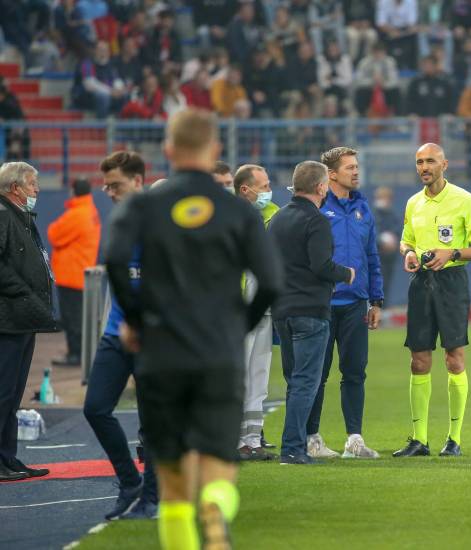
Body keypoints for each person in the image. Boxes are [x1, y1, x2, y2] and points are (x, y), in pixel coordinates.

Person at [104, 109, 282, 549]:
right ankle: (217, 509)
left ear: (168, 150)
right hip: (218, 350)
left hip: (162, 350)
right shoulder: (237, 212)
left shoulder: (144, 205)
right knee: (219, 462)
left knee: (174, 479)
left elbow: (114, 262)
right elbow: (273, 281)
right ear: (215, 150)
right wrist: (238, 323)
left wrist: (135, 319)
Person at [393, 143, 471, 458]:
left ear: (445, 164)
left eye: (430, 161)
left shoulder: (465, 200)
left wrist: (453, 253)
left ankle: (454, 439)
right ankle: (419, 440)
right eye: (419, 161)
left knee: (454, 358)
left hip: (452, 283)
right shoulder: (413, 203)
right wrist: (408, 252)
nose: (424, 167)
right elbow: (406, 239)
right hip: (421, 282)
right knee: (418, 360)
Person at [83, 151, 160, 520]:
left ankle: (153, 497)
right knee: (95, 407)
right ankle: (130, 481)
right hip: (117, 332)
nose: (109, 192)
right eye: (106, 186)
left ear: (139, 181)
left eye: (116, 185)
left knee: (154, 421)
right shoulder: (118, 221)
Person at [269, 161, 355, 465]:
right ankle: (292, 448)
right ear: (321, 187)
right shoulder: (316, 221)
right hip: (309, 310)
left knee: (295, 380)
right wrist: (346, 274)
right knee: (307, 381)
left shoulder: (277, 219)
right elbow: (321, 265)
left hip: (282, 311)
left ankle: (292, 446)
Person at [305, 147, 384, 460]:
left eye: (356, 166)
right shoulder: (318, 207)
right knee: (317, 375)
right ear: (331, 174)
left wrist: (376, 300)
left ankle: (354, 439)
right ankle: (312, 439)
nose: (356, 172)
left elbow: (372, 257)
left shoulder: (362, 207)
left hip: (355, 304)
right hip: (322, 303)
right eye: (349, 167)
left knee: (355, 372)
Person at [0, 161, 55, 482]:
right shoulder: (4, 214)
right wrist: (23, 291)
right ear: (15, 188)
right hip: (9, 318)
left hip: (21, 317)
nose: (36, 190)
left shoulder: (19, 216)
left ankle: (8, 458)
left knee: (13, 394)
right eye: (32, 184)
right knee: (4, 393)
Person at [233, 164, 280, 461]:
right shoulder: (234, 218)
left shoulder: (273, 215)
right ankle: (235, 439)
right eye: (262, 186)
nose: (267, 190)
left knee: (259, 375)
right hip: (237, 307)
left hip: (263, 308)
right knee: (237, 374)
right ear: (245, 190)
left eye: (267, 184)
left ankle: (252, 437)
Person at [48, 177, 101, 367]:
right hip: (79, 272)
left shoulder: (77, 214)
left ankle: (76, 354)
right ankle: (78, 352)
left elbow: (53, 233)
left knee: (73, 318)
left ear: (73, 191)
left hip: (71, 274)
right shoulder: (89, 211)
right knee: (78, 317)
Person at [371, 185, 402, 303]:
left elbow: (397, 230)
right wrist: (381, 240)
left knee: (386, 284)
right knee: (375, 284)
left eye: (386, 198)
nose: (384, 201)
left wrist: (392, 240)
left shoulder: (392, 215)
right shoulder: (372, 214)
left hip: (389, 257)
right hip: (376, 257)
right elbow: (371, 232)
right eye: (381, 198)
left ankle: (383, 310)